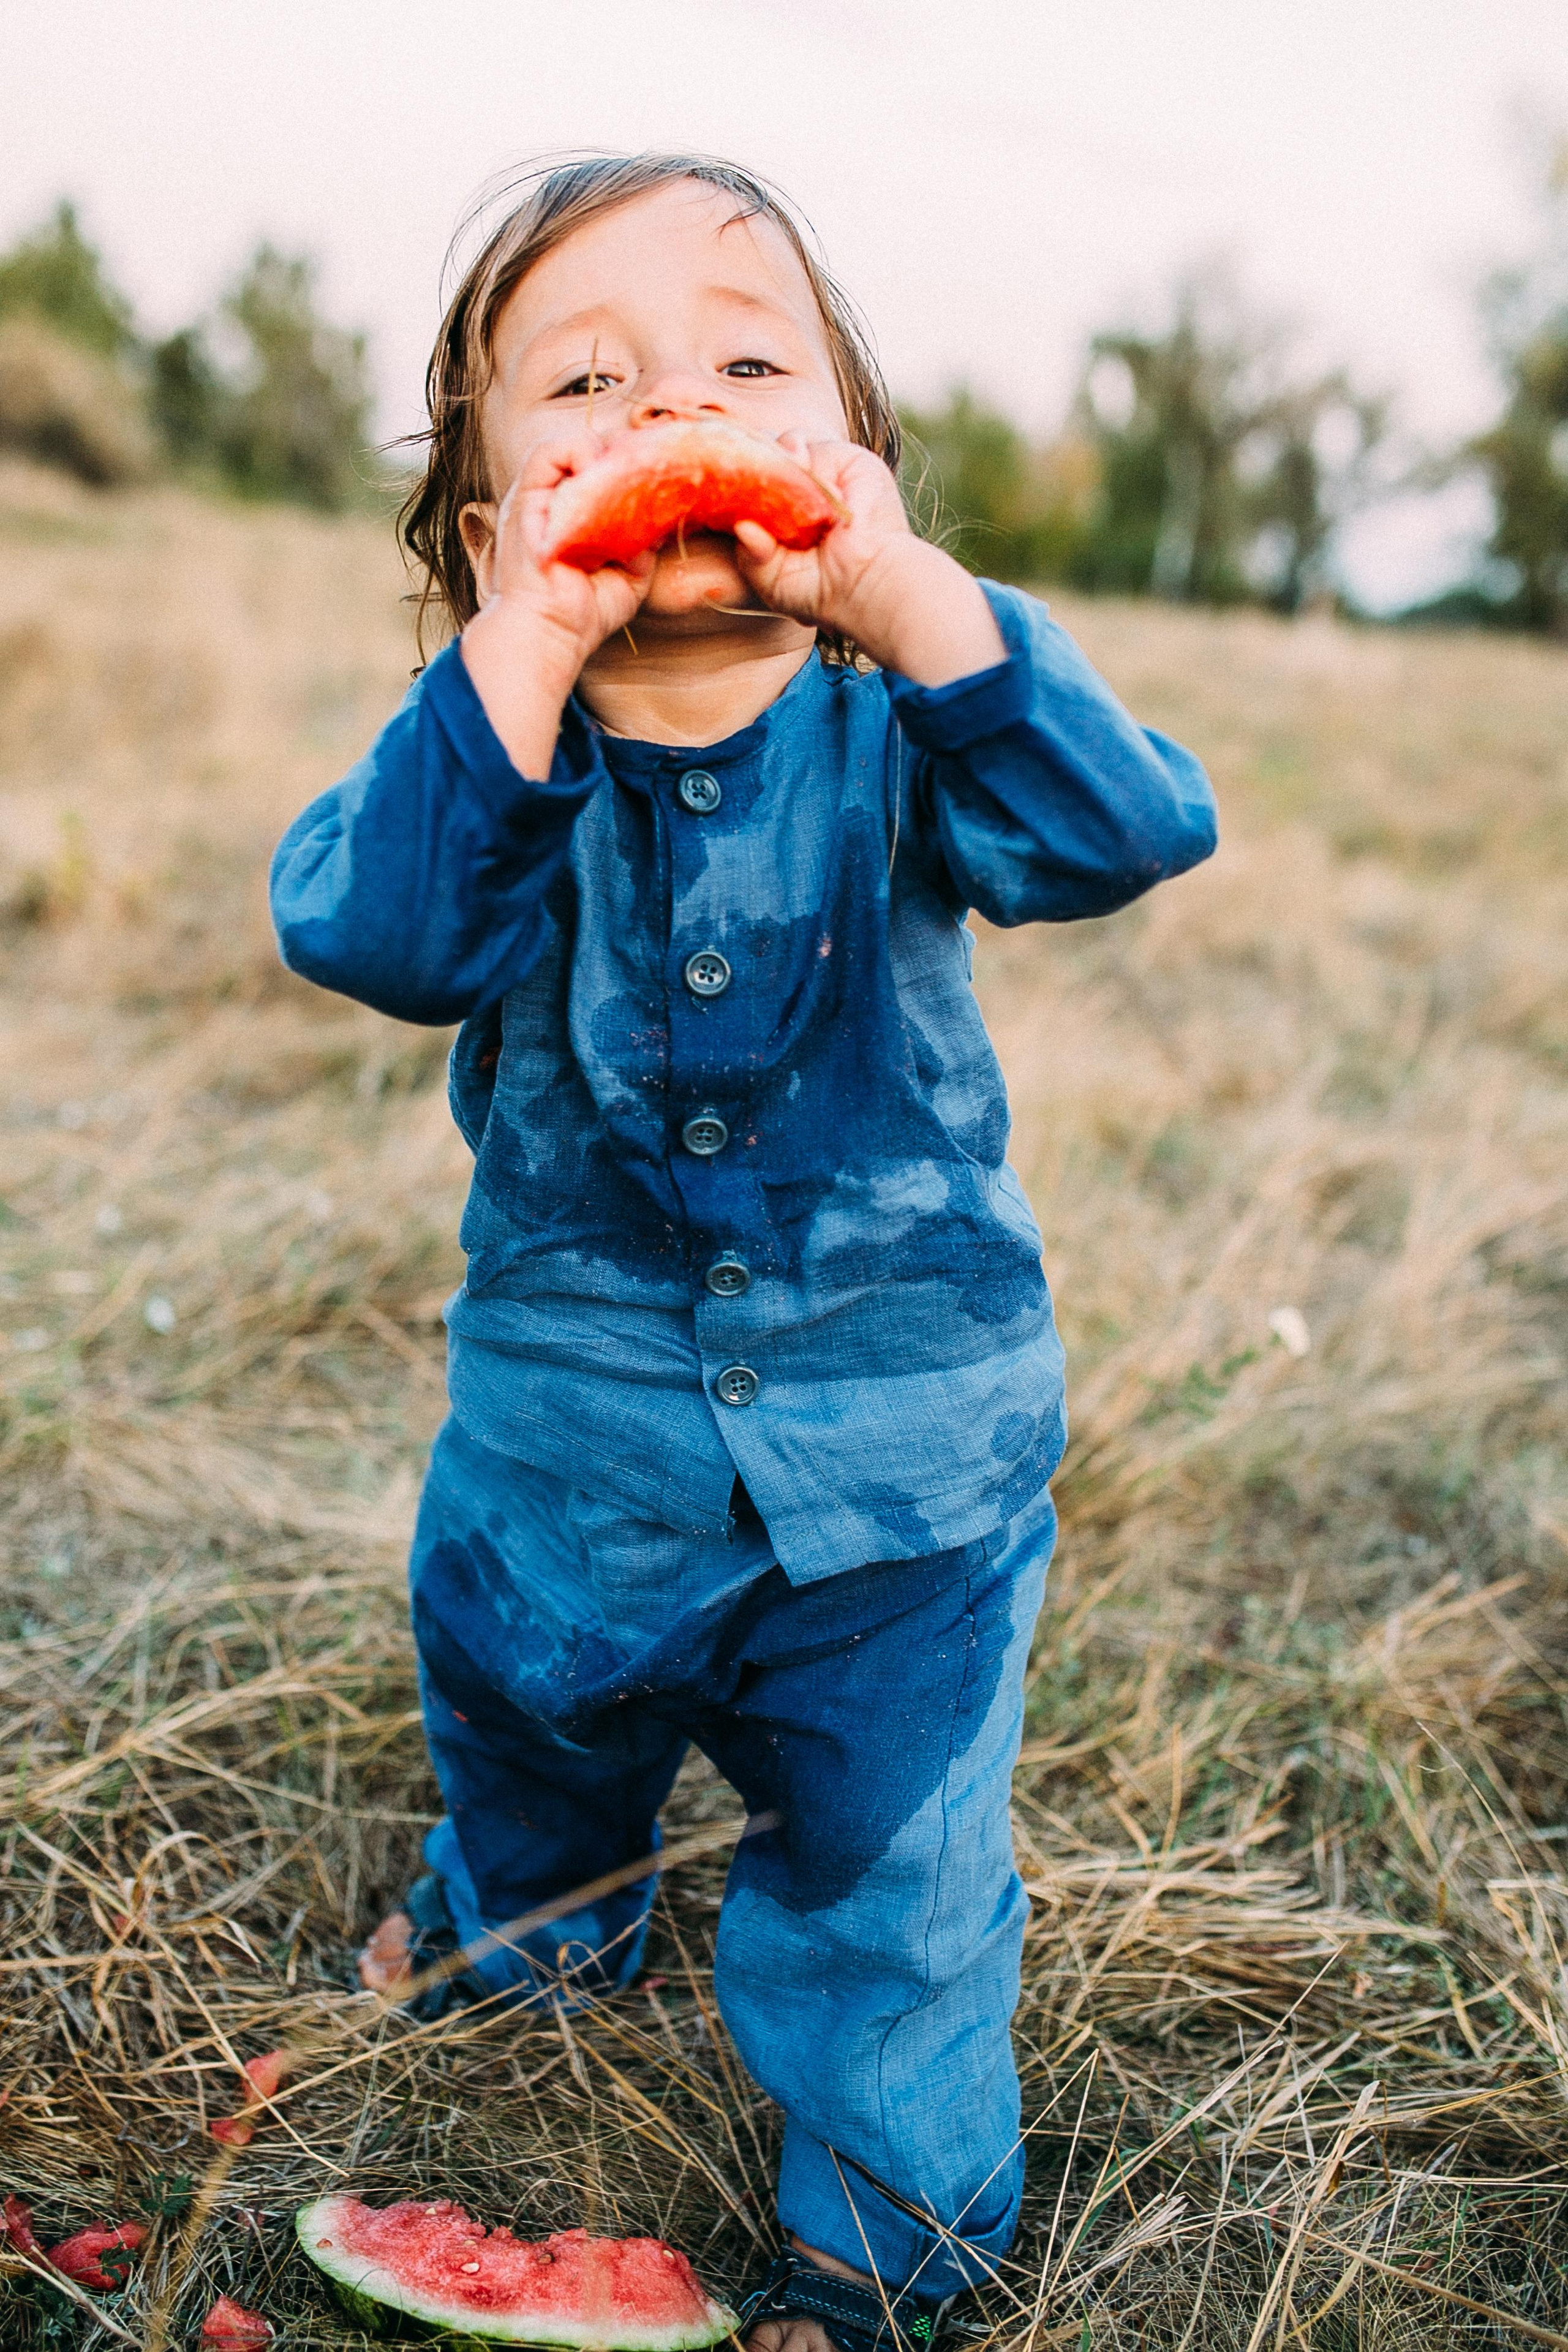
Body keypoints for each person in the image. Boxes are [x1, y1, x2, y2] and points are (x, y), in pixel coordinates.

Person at [270, 153, 1216, 2352]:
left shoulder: (911, 740)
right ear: (498, 534)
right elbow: (379, 933)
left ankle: (886, 2250)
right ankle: (531, 1926)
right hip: (563, 1465)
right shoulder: (484, 785)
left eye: (744, 359)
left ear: (851, 471)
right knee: (525, 1734)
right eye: (583, 381)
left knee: (898, 1889)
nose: (668, 401)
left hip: (903, 1493)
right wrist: (524, 655)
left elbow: (1125, 825)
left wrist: (919, 609)